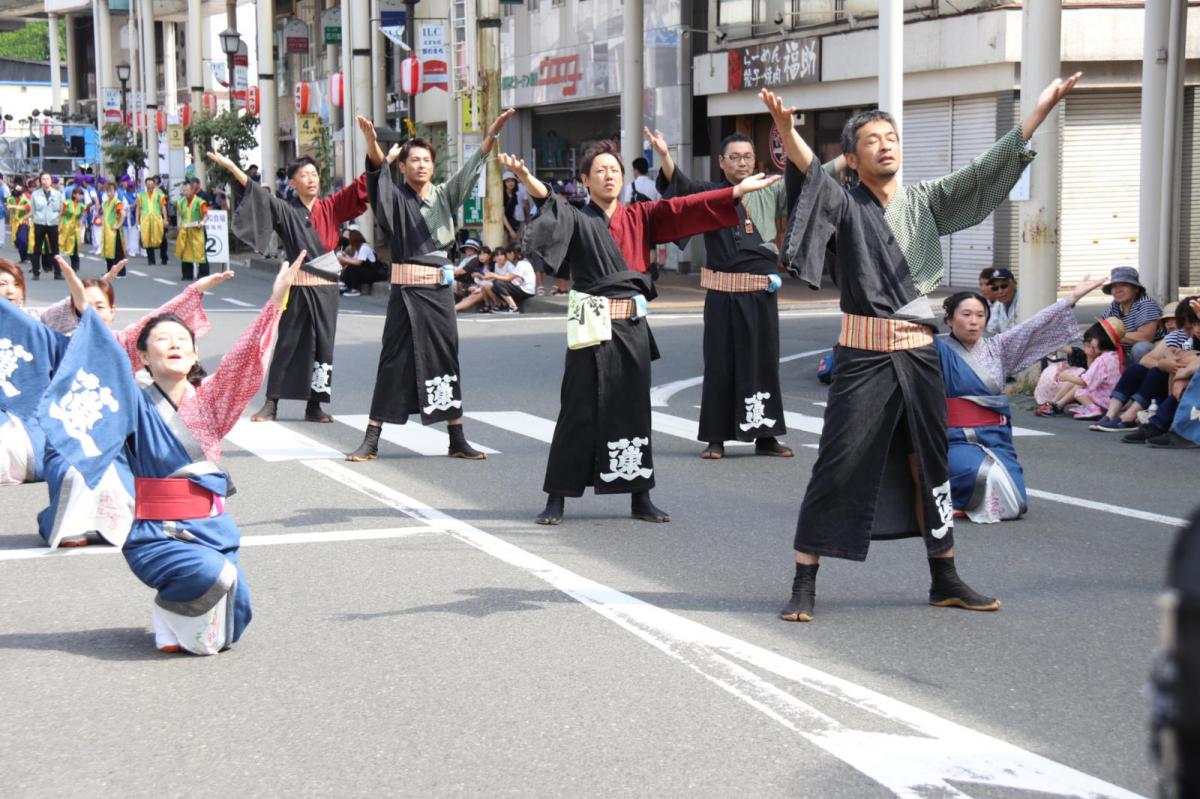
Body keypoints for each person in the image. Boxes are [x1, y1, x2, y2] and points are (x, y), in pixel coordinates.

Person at [766, 72, 1080, 623]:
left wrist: (1039, 112)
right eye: (871, 141)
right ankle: (804, 581)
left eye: (891, 138)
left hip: (919, 355)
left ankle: (945, 577)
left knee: (928, 464)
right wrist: (787, 133)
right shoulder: (843, 204)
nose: (885, 146)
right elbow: (811, 176)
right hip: (863, 356)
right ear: (853, 158)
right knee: (837, 465)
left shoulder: (924, 202)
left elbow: (983, 176)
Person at [36, 251, 305, 654]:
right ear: (142, 356)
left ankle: (176, 619)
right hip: (155, 536)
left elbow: (245, 360)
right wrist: (81, 311)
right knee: (213, 577)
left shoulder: (211, 400)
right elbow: (103, 359)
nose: (175, 344)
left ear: (195, 354)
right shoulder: (131, 400)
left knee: (236, 612)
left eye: (183, 340)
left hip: (211, 530)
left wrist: (276, 303)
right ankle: (171, 607)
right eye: (162, 339)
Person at [502, 141, 782, 526]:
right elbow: (551, 203)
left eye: (614, 169)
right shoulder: (579, 219)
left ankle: (640, 496)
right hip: (591, 325)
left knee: (634, 410)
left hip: (632, 326)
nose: (609, 175)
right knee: (578, 410)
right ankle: (557, 497)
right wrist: (526, 178)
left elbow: (683, 208)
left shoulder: (641, 215)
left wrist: (735, 191)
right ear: (584, 180)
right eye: (599, 170)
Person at [345, 109, 515, 463]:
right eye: (414, 160)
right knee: (392, 360)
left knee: (445, 359)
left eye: (426, 160)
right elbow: (377, 173)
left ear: (432, 166)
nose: (421, 165)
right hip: (405, 294)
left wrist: (492, 135)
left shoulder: (443, 196)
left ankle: (457, 438)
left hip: (438, 293)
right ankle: (371, 439)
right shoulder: (393, 197)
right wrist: (373, 143)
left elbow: (470, 171)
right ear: (403, 167)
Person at [32, 256, 229, 549]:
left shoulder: (125, 343)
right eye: (83, 306)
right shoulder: (60, 344)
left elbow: (159, 322)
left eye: (100, 307)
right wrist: (78, 298)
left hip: (118, 443)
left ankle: (116, 522)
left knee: (117, 477)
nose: (92, 313)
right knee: (75, 474)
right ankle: (71, 523)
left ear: (113, 311)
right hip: (71, 438)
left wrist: (194, 291)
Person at [210, 116, 385, 424]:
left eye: (315, 174)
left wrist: (373, 144)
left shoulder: (332, 207)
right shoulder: (286, 211)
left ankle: (314, 405)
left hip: (327, 287)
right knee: (288, 342)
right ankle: (271, 403)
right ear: (293, 183)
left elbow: (365, 182)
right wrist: (232, 168)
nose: (311, 179)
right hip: (298, 285)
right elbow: (257, 194)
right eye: (304, 175)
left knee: (324, 345)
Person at [650, 127, 795, 460]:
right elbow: (680, 186)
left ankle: (766, 436)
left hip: (761, 295)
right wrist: (665, 155)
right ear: (721, 162)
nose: (741, 163)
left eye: (746, 157)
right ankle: (716, 437)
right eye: (734, 157)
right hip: (721, 295)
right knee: (719, 364)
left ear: (754, 160)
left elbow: (803, 190)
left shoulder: (770, 190)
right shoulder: (710, 194)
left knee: (763, 363)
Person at [937, 275, 1105, 523]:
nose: (974, 322)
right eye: (966, 315)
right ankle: (953, 494)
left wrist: (1071, 299)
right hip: (953, 438)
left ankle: (959, 496)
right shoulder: (933, 349)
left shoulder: (998, 348)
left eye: (980, 315)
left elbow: (1032, 327)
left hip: (995, 437)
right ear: (949, 319)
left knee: (1014, 502)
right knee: (984, 475)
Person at [1091, 298, 1195, 432]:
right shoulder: (1177, 335)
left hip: (1183, 382)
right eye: (1167, 321)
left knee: (1156, 372)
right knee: (1137, 369)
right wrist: (1164, 363)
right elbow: (1146, 360)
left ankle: (1129, 416)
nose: (1171, 324)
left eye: (1174, 320)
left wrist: (1169, 364)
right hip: (1172, 381)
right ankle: (1110, 415)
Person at [1122, 298, 1200, 447]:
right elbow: (1183, 355)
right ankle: (1160, 423)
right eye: (1193, 325)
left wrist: (1186, 371)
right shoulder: (1191, 338)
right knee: (1158, 371)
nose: (1196, 330)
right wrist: (1173, 366)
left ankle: (1169, 427)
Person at [1034, 318, 1125, 419]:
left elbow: (1085, 382)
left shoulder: (1102, 360)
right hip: (1111, 398)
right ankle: (1055, 404)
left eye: (1093, 338)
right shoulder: (1113, 356)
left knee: (1079, 390)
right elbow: (1091, 374)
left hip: (1104, 400)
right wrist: (1090, 356)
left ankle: (1092, 408)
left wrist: (1066, 377)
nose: (1090, 342)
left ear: (1103, 339)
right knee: (1078, 380)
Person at [1100, 265, 1162, 362]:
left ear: (1136, 289)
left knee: (1140, 348)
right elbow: (1101, 328)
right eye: (1114, 286)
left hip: (1155, 353)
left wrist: (1113, 335)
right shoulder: (1115, 306)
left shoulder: (1145, 303)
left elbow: (1146, 337)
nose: (1118, 290)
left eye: (1123, 285)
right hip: (1126, 353)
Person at [30, 172, 64, 281]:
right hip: (39, 223)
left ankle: (58, 272)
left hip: (53, 223)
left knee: (55, 248)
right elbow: (33, 209)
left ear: (51, 181)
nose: (45, 181)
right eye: (43, 179)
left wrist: (58, 221)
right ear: (40, 181)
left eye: (47, 179)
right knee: (37, 248)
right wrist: (35, 219)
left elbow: (61, 209)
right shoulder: (35, 194)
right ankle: (36, 272)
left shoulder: (57, 194)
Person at [175, 180, 210, 281]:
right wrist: (179, 225)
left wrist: (202, 222)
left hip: (197, 231)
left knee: (200, 252)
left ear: (192, 190)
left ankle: (203, 274)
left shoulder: (200, 201)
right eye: (183, 190)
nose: (185, 192)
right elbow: (180, 216)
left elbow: (206, 215)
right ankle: (187, 274)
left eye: (187, 190)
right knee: (185, 252)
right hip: (185, 231)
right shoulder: (180, 202)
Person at [488, 245, 537, 313]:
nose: (507, 257)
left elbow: (509, 278)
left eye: (507, 254)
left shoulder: (522, 264)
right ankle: (506, 306)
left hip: (526, 291)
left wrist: (494, 275)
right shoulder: (521, 263)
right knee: (495, 286)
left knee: (498, 284)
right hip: (523, 289)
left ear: (512, 253)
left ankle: (513, 308)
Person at [337, 228, 382, 297]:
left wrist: (344, 259)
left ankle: (356, 289)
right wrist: (345, 256)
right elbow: (353, 260)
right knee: (349, 267)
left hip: (373, 273)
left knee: (353, 267)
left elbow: (358, 263)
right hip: (366, 272)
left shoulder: (364, 247)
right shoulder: (357, 249)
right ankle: (345, 285)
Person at [137, 176, 170, 265]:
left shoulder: (159, 194)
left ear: (154, 185)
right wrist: (137, 221)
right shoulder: (141, 195)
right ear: (146, 185)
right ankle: (151, 260)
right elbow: (138, 208)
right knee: (147, 240)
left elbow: (163, 207)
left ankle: (164, 258)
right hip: (145, 220)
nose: (150, 186)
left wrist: (165, 219)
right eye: (148, 184)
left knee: (162, 238)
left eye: (151, 184)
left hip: (157, 219)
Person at [57, 185, 87, 273]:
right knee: (61, 246)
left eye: (82, 195)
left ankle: (75, 266)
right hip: (66, 227)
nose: (81, 196)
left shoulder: (82, 206)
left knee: (74, 247)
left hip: (75, 228)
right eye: (79, 194)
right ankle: (57, 266)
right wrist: (59, 226)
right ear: (74, 194)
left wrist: (81, 229)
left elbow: (81, 217)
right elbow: (61, 215)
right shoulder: (66, 203)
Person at [99, 180, 127, 271]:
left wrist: (118, 225)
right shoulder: (105, 203)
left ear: (115, 191)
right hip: (106, 232)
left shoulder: (117, 202)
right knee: (108, 252)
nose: (109, 193)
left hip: (115, 231)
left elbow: (123, 214)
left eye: (111, 190)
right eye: (107, 191)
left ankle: (121, 272)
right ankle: (110, 271)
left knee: (117, 252)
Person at [983, 267, 1018, 334]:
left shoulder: (1024, 302)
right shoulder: (998, 305)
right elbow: (991, 330)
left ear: (1014, 284)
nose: (1000, 291)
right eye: (995, 288)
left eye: (1004, 286)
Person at [7, 183, 32, 266]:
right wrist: (10, 221)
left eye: (18, 190)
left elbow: (28, 209)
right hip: (15, 222)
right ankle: (23, 258)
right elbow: (10, 211)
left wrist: (27, 219)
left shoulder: (26, 199)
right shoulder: (10, 199)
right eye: (15, 190)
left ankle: (27, 257)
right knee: (17, 241)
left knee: (23, 239)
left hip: (24, 222)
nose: (16, 192)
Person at [118, 178, 142, 257]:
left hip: (137, 216)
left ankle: (134, 249)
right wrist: (133, 205)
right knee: (126, 233)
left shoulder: (139, 193)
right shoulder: (125, 195)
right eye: (130, 187)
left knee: (135, 234)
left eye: (133, 187)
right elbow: (124, 206)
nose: (132, 188)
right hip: (128, 217)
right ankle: (128, 248)